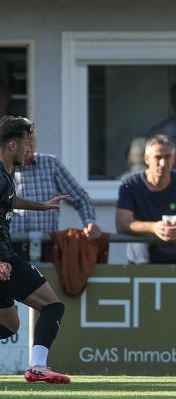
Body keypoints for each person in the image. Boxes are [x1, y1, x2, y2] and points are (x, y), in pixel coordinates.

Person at [0, 116, 72, 383]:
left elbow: (8, 200)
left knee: (9, 325)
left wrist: (40, 206)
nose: (30, 150)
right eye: (26, 144)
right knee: (53, 306)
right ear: (11, 146)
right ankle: (38, 366)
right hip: (4, 259)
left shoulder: (5, 175)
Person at [12, 120, 102, 261]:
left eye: (31, 140)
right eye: (23, 141)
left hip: (47, 248)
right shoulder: (3, 168)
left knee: (46, 283)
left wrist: (89, 222)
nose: (28, 146)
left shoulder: (51, 164)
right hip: (12, 247)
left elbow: (80, 198)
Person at [115, 135, 176, 264]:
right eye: (158, 157)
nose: (163, 163)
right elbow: (122, 224)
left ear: (174, 159)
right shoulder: (130, 183)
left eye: (167, 157)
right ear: (146, 159)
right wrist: (153, 227)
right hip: (140, 261)